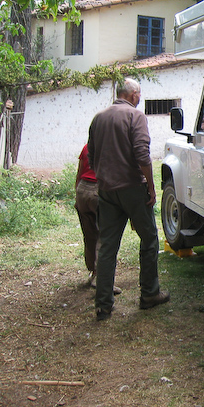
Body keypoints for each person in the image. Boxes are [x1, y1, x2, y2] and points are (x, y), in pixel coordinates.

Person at [88, 78, 169, 321]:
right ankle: (149, 294)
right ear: (133, 94)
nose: (140, 98)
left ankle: (103, 305)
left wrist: (103, 178)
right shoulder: (136, 117)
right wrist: (151, 187)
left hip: (106, 189)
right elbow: (142, 154)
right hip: (133, 188)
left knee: (107, 247)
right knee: (149, 238)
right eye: (139, 94)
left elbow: (92, 155)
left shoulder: (99, 117)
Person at [74, 144, 121, 295]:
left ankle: (92, 271)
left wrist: (77, 193)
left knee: (89, 235)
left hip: (82, 190)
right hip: (97, 190)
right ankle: (101, 279)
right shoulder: (109, 147)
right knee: (104, 236)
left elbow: (79, 171)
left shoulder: (86, 147)